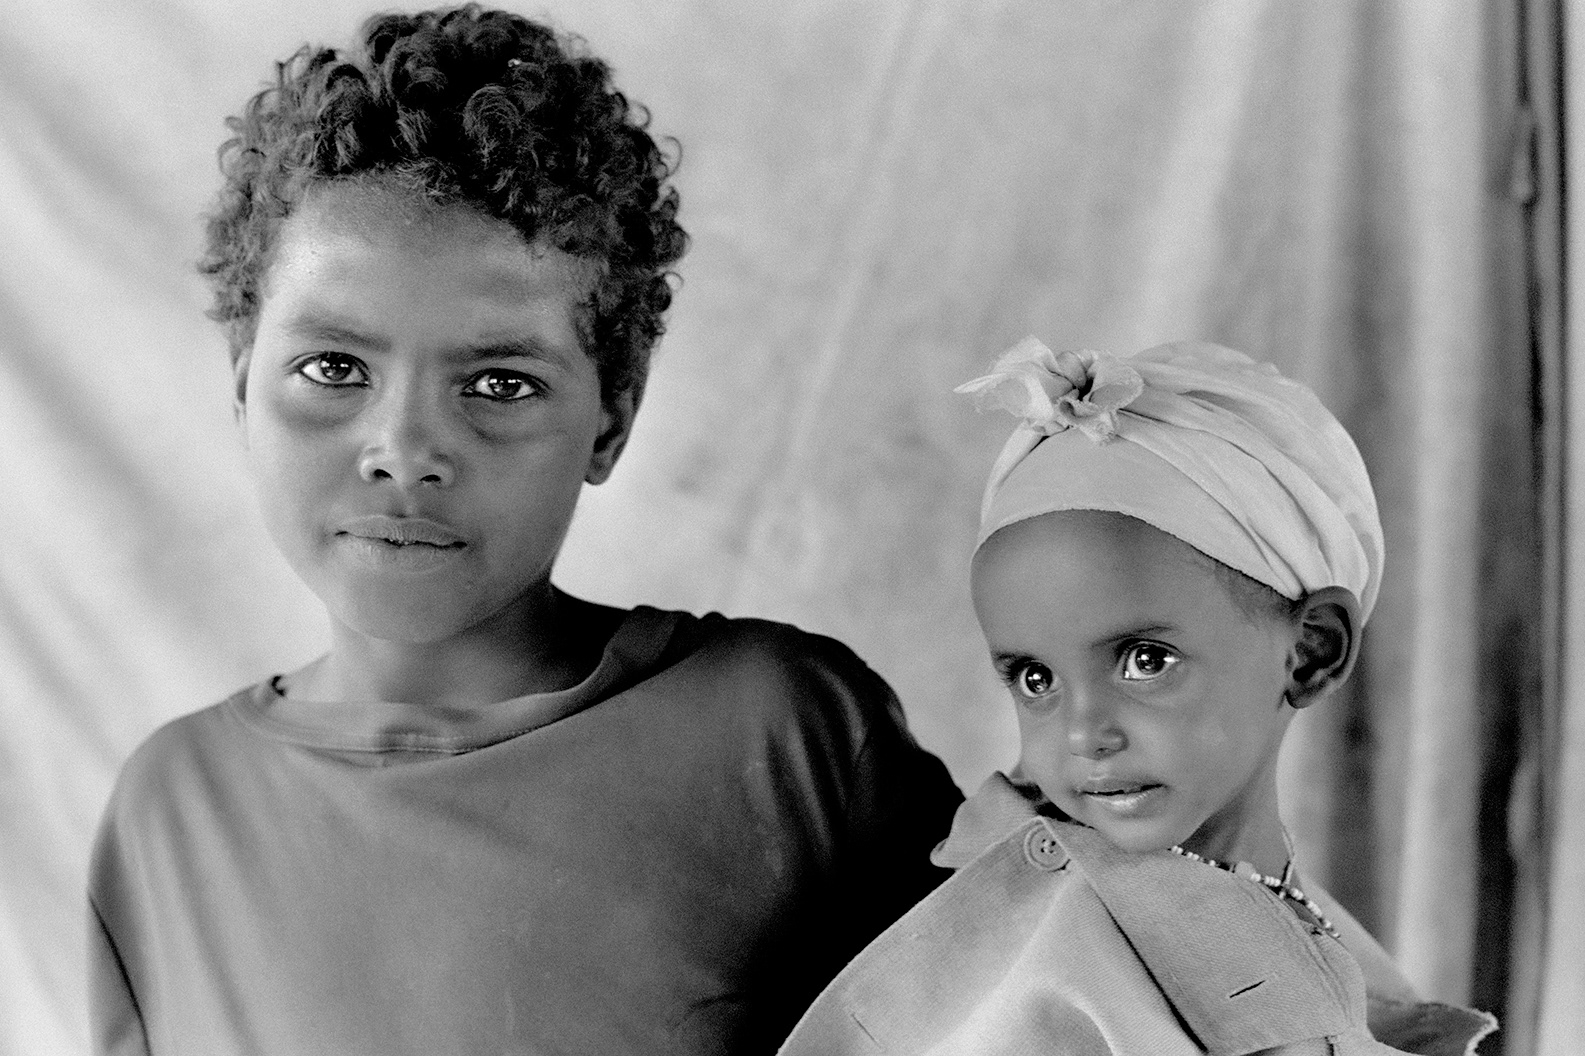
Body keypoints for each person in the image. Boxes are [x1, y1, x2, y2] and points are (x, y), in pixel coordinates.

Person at [87, 7, 962, 1054]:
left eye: (499, 382)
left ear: (612, 417)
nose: (405, 450)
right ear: (243, 389)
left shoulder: (784, 735)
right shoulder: (170, 812)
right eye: (333, 368)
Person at [777, 338, 1497, 1056]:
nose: (1083, 733)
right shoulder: (1033, 958)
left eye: (1146, 662)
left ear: (1311, 651)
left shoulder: (1283, 913)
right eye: (1035, 679)